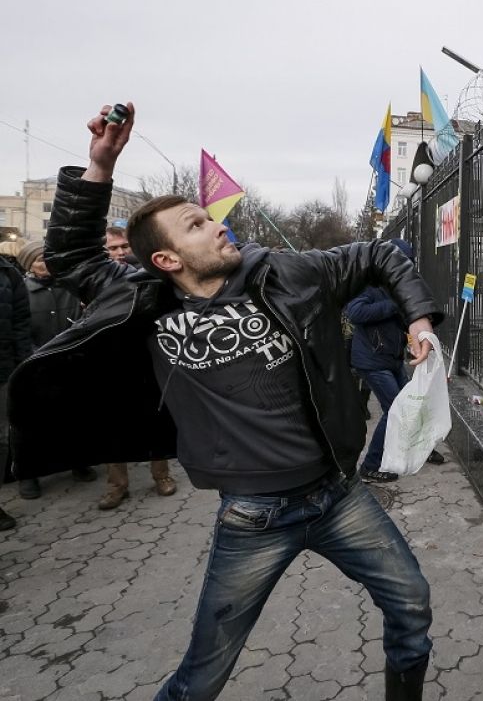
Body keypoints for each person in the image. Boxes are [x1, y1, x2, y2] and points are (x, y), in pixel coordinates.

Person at [9, 103, 442, 700]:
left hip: (338, 496)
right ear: (167, 260)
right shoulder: (143, 301)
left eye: (208, 217)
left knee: (413, 605)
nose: (216, 225)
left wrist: (419, 322)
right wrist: (100, 165)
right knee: (202, 676)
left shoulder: (284, 273)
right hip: (253, 517)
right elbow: (70, 257)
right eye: (195, 225)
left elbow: (379, 255)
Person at [346, 239, 444, 482]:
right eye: (400, 263)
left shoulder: (399, 287)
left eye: (408, 264)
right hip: (371, 360)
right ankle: (370, 465)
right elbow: (355, 313)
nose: (403, 269)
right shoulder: (367, 284)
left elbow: (404, 321)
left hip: (392, 358)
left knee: (413, 404)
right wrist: (393, 304)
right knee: (394, 409)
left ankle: (421, 449)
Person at [98, 225, 177, 509]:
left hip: (146, 358)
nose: (119, 252)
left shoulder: (150, 276)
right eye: (113, 248)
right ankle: (116, 486)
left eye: (124, 247)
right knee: (112, 426)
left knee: (154, 418)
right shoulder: (97, 280)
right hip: (109, 360)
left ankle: (162, 476)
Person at [15, 240, 96, 499]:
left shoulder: (69, 287)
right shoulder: (22, 290)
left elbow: (85, 319)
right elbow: (19, 328)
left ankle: (77, 463)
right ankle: (29, 475)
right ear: (29, 265)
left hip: (70, 361)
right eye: (40, 260)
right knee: (32, 422)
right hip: (35, 364)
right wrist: (34, 356)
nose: (46, 264)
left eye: (49, 258)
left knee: (72, 415)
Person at [0, 252, 32, 530]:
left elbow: (21, 322)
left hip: (4, 368)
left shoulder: (8, 273)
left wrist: (23, 366)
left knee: (3, 438)